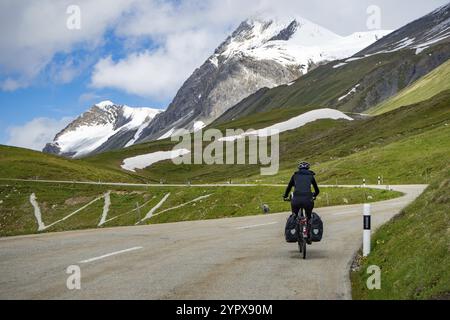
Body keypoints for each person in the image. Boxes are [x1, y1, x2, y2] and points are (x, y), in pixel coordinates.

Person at [283, 161, 320, 242]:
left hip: (296, 200)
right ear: (308, 168)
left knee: (295, 216)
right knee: (309, 217)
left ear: (299, 168)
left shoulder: (295, 176)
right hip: (308, 199)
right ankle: (309, 234)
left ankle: (296, 233)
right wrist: (314, 195)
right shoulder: (311, 176)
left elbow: (289, 187)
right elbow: (317, 190)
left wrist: (285, 196)